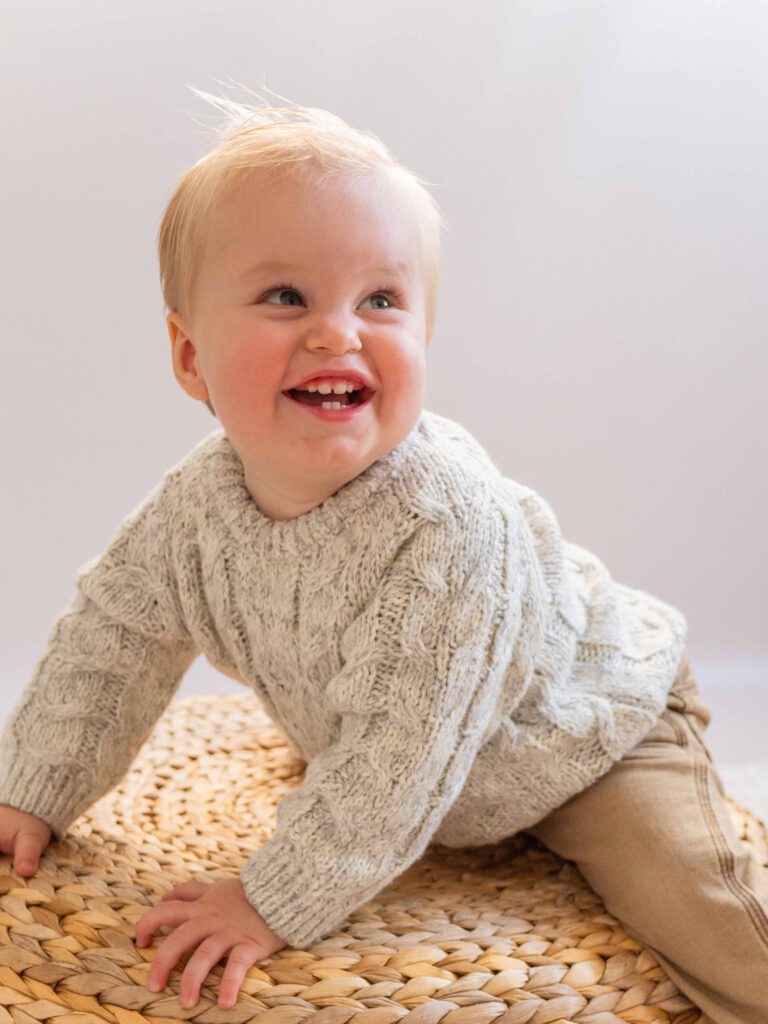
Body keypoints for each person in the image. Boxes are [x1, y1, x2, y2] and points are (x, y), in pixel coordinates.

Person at [0, 86, 765, 1022]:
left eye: (382, 300)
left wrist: (268, 896)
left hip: (578, 729)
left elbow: (402, 753)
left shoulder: (449, 523)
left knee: (692, 893)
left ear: (423, 338)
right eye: (286, 296)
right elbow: (108, 643)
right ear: (190, 356)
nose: (337, 331)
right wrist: (33, 790)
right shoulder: (191, 512)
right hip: (402, 736)